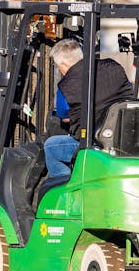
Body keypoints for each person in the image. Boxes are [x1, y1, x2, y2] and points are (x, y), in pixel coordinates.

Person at [43, 37, 133, 179]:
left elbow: (65, 117)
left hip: (96, 143)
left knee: (50, 146)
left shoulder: (65, 87)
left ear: (64, 65)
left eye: (58, 66)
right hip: (126, 135)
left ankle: (64, 189)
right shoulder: (114, 66)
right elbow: (129, 89)